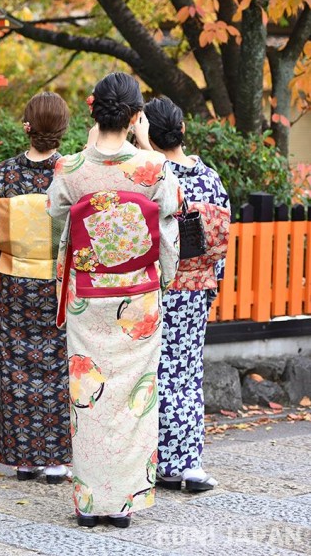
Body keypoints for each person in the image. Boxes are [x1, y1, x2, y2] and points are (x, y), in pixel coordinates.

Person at [47, 73, 182, 528]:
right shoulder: (153, 169)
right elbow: (167, 236)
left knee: (88, 396)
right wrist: (166, 277)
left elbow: (56, 220)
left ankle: (88, 503)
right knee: (132, 400)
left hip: (88, 296)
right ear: (134, 116)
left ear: (94, 111)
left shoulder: (68, 168)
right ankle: (121, 503)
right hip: (138, 298)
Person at [0, 92, 72, 485]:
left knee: (18, 366)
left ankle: (25, 459)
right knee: (58, 366)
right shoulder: (71, 174)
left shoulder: (5, 175)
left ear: (27, 126)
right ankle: (58, 459)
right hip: (60, 285)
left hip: (16, 285)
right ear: (62, 130)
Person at [143, 96, 230, 493]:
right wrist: (212, 279)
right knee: (188, 370)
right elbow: (220, 238)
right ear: (182, 131)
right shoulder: (209, 176)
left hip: (163, 284)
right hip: (199, 285)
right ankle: (189, 460)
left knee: (160, 371)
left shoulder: (156, 176)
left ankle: (165, 460)